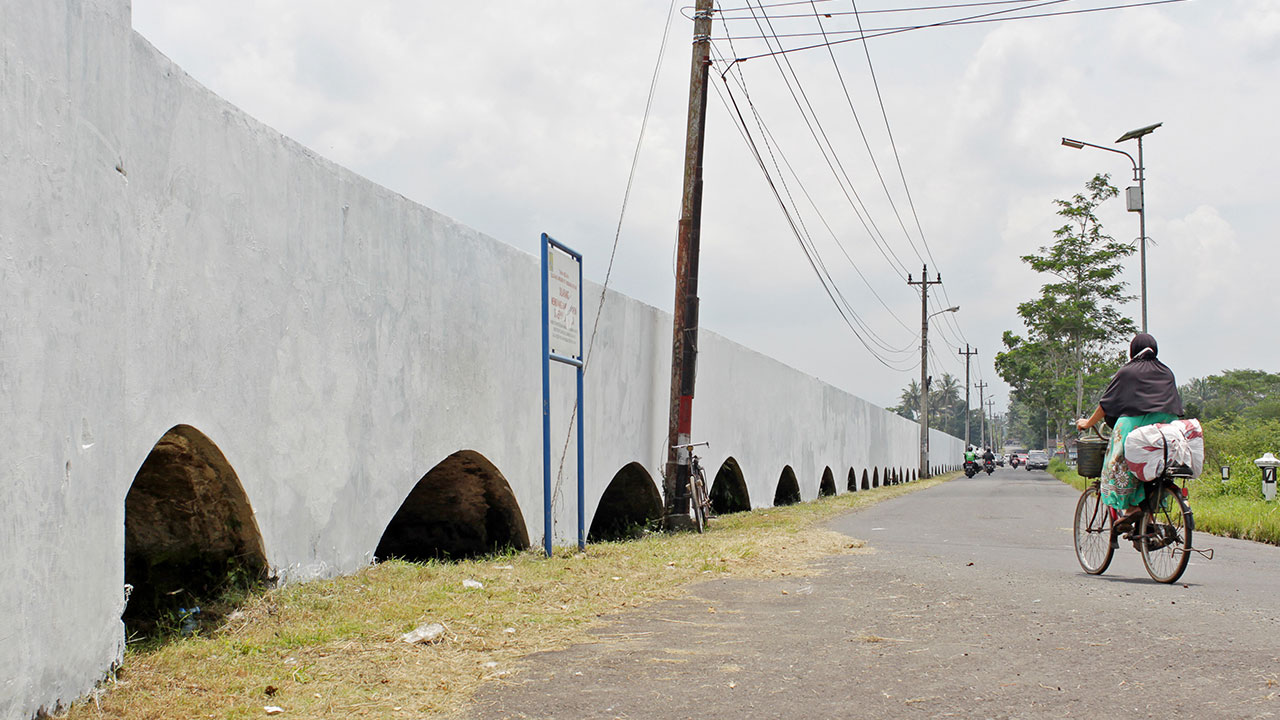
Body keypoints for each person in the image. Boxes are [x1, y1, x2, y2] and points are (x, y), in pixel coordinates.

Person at [1076, 333, 1184, 529]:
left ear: (1133, 350)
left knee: (1116, 461)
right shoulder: (1166, 372)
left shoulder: (1128, 372)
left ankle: (1131, 508)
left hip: (1136, 424)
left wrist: (1087, 423)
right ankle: (1149, 522)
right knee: (1155, 469)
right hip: (1166, 428)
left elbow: (1106, 405)